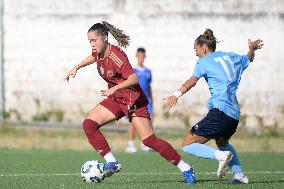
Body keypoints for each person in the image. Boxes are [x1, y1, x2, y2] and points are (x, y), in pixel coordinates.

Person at [64, 21, 196, 184]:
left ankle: (186, 168)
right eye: (89, 41)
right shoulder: (98, 52)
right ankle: (112, 162)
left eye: (94, 40)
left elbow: (134, 78)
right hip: (117, 98)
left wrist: (114, 88)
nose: (91, 44)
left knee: (148, 140)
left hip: (133, 100)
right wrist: (76, 67)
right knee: (89, 124)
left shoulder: (116, 55)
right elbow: (93, 57)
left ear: (105, 38)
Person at [164, 29, 263, 184]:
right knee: (222, 142)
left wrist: (176, 95)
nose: (195, 53)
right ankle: (240, 176)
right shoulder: (230, 56)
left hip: (220, 112)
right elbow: (248, 59)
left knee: (188, 144)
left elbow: (192, 80)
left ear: (204, 48)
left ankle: (221, 157)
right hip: (234, 115)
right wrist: (251, 49)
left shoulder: (204, 61)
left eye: (196, 50)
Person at [126, 47, 153, 153]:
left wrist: (152, 100)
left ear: (144, 57)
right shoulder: (133, 71)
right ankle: (131, 144)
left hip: (146, 100)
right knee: (133, 122)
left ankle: (145, 144)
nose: (141, 58)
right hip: (135, 100)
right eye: (139, 56)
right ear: (136, 56)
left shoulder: (148, 72)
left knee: (147, 123)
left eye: (143, 56)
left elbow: (149, 86)